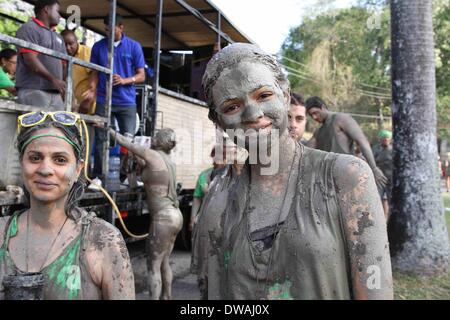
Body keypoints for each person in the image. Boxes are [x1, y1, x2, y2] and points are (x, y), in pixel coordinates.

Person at [197, 43, 393, 300]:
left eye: (264, 95)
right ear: (218, 121)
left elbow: (375, 289)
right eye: (232, 106)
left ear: (285, 95)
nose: (253, 114)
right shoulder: (218, 204)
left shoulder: (346, 178)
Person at [0, 111, 135, 300]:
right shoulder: (1, 233)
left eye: (60, 160)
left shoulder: (102, 241)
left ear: (78, 169)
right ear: (22, 163)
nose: (46, 169)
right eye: (35, 158)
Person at [109, 128, 182, 300]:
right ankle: (167, 296)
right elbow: (149, 168)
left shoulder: (152, 155)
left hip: (163, 218)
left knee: (153, 265)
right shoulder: (167, 161)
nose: (153, 138)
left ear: (160, 141)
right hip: (175, 215)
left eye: (156, 136)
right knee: (164, 262)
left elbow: (126, 143)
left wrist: (110, 130)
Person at [83, 14, 146, 179]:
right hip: (104, 99)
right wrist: (91, 90)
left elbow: (141, 75)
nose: (109, 33)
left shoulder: (134, 46)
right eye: (106, 30)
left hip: (127, 101)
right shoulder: (98, 47)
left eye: (112, 29)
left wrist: (126, 80)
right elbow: (95, 73)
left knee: (129, 141)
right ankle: (98, 177)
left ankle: (126, 178)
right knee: (101, 138)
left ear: (121, 27)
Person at [305, 96, 388, 189]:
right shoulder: (318, 132)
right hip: (329, 179)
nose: (314, 117)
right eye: (311, 115)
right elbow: (306, 150)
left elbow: (362, 142)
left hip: (347, 174)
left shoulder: (340, 119)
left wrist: (374, 168)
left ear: (323, 107)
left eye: (316, 113)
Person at [15, 0, 66, 110]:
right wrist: (53, 79)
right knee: (38, 126)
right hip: (33, 89)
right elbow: (30, 60)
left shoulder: (58, 36)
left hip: (55, 92)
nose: (60, 16)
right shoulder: (29, 28)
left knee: (59, 126)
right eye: (57, 11)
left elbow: (64, 64)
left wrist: (66, 89)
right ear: (46, 9)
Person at [61, 29, 96, 164]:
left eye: (71, 44)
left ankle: (88, 176)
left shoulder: (86, 52)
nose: (68, 48)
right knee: (78, 142)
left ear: (77, 41)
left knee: (89, 141)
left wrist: (89, 98)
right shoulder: (68, 58)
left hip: (91, 104)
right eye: (65, 45)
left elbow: (95, 73)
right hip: (78, 105)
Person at [373, 130, 393, 219]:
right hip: (379, 179)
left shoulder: (394, 149)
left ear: (390, 139)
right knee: (377, 200)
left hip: (391, 179)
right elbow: (370, 161)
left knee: (391, 201)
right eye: (383, 138)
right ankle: (379, 220)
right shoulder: (375, 149)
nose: (385, 139)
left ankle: (391, 220)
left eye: (387, 138)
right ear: (380, 139)